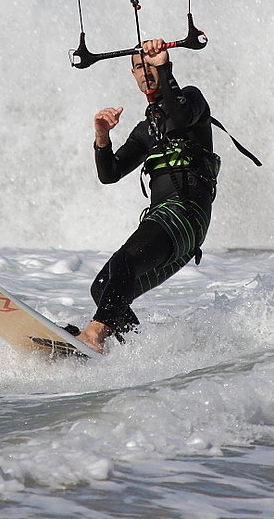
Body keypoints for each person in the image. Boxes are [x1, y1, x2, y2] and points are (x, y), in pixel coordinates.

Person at [76, 38, 219, 353]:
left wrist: (164, 65)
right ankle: (138, 353)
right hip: (168, 226)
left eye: (152, 65)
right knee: (103, 288)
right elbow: (109, 173)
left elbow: (179, 116)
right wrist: (102, 137)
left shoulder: (192, 101)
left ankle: (94, 335)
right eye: (140, 67)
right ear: (133, 74)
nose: (146, 72)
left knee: (125, 262)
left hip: (186, 215)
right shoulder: (146, 129)